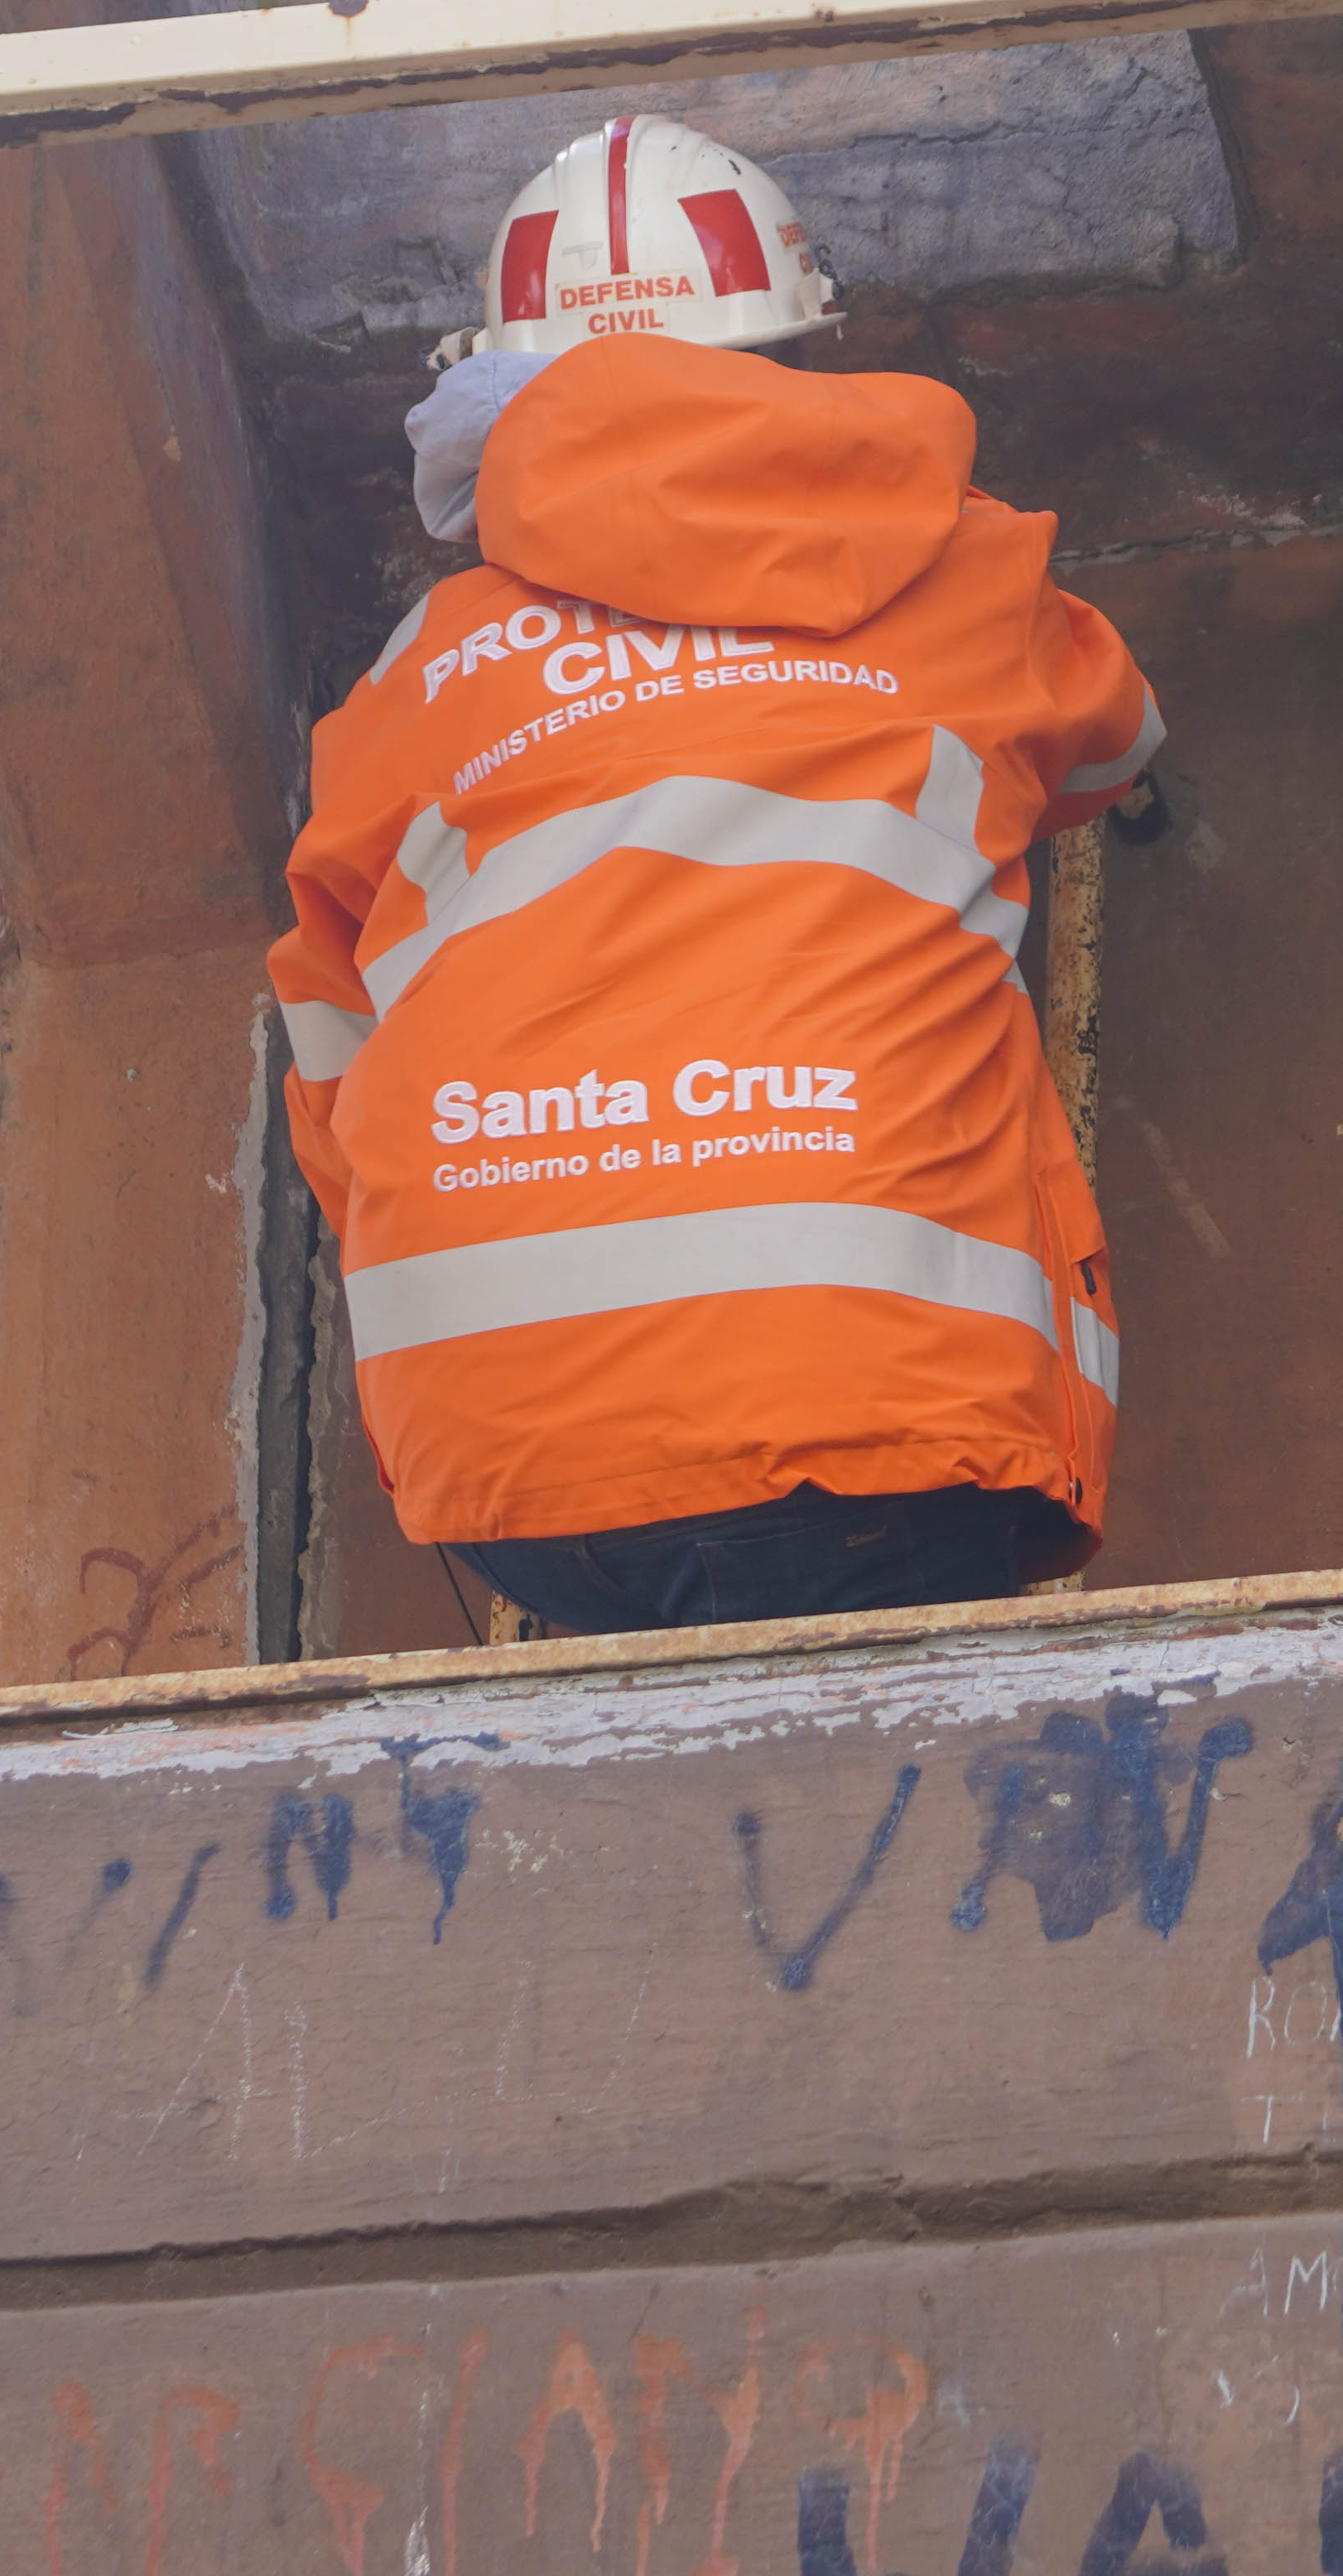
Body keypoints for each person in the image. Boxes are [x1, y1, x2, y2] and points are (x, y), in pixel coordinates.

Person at [267, 113, 1166, 1635]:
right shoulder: (963, 573)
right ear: (798, 352)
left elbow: (330, 1043)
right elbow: (1114, 749)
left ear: (506, 390)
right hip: (868, 1413)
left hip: (504, 1446)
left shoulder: (420, 672)